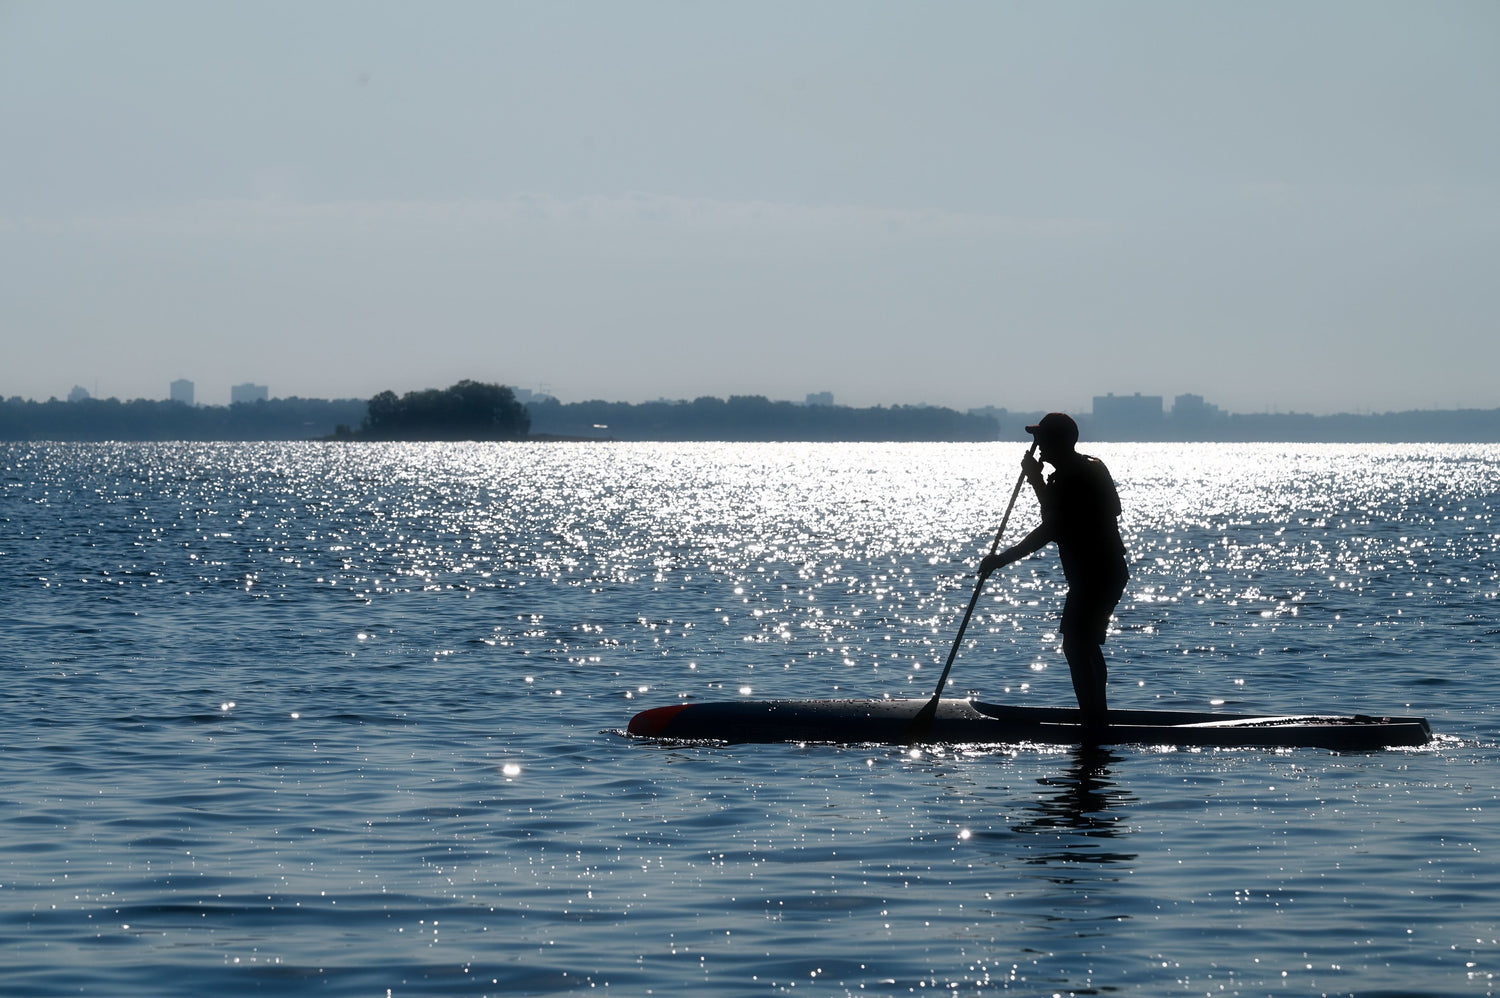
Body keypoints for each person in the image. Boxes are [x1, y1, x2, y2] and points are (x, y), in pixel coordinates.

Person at [979, 412, 1128, 723]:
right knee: (1083, 644)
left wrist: (1000, 561)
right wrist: (1037, 479)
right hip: (1100, 573)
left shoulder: (1076, 475)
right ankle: (1096, 716)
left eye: (1042, 439)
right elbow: (1057, 516)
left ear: (1056, 442)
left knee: (1077, 644)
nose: (1037, 446)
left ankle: (1094, 720)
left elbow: (1051, 528)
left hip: (1096, 574)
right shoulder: (1081, 471)